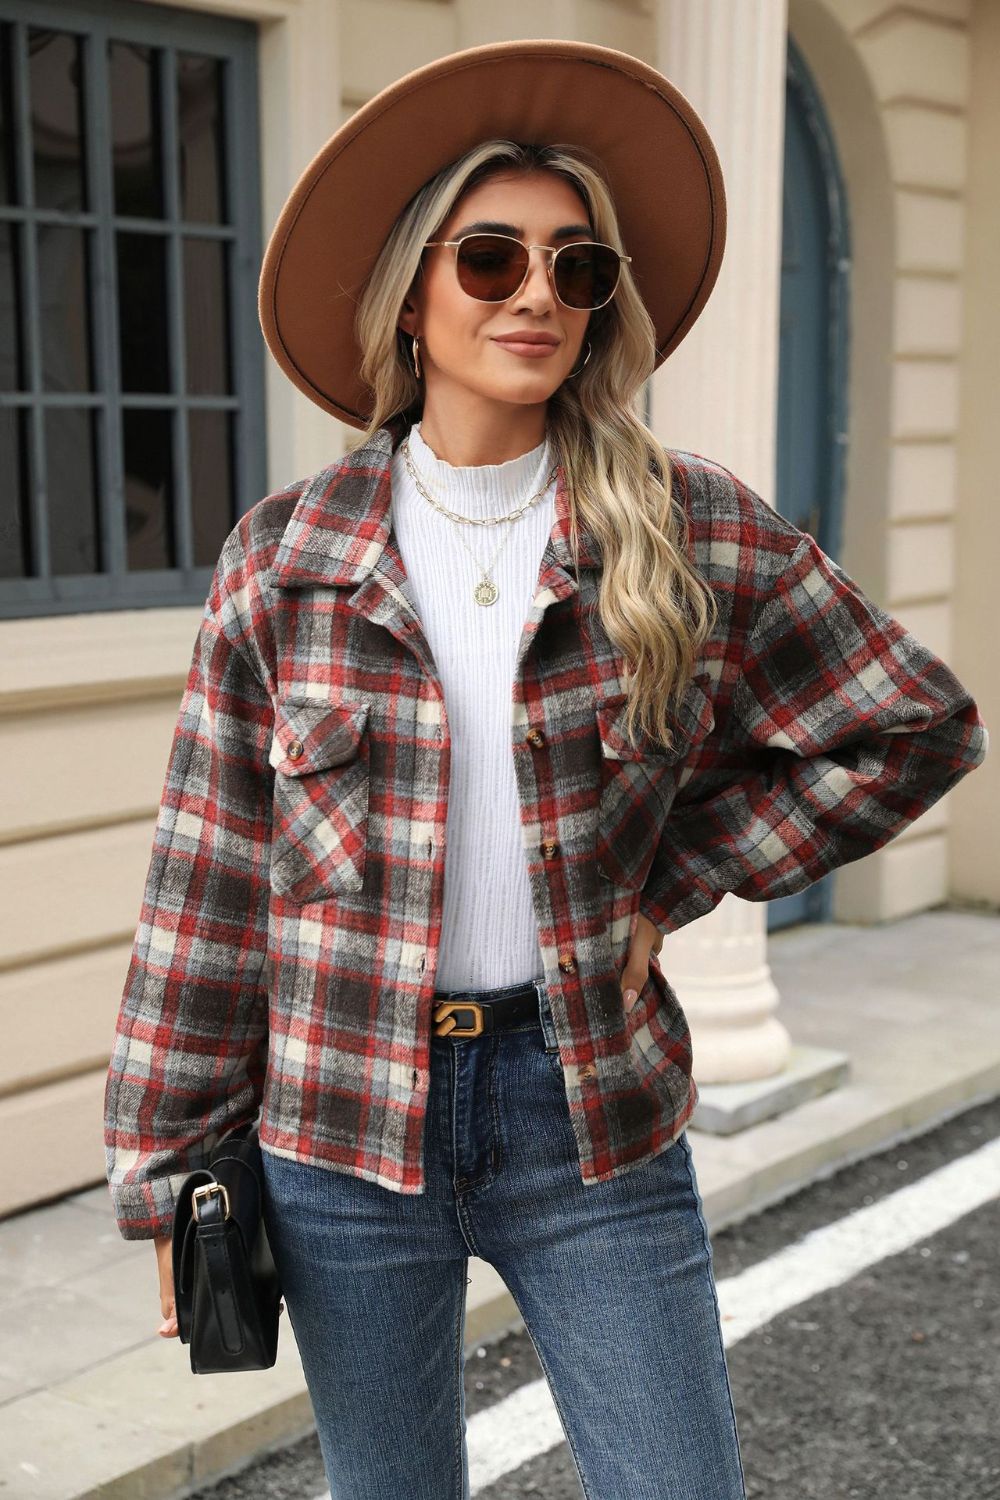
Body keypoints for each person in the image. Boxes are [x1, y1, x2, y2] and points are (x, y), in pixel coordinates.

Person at [103, 39, 989, 1500]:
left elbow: (915, 725)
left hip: (585, 1112)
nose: (535, 294)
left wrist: (679, 878)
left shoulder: (688, 527)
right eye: (491, 257)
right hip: (340, 1125)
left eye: (576, 269)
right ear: (411, 293)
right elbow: (206, 886)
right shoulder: (287, 556)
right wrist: (172, 1176)